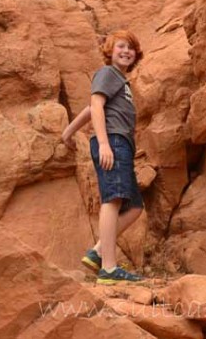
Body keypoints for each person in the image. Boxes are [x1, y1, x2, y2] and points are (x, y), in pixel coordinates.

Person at [61, 30, 145, 284]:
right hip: (113, 142)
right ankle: (108, 269)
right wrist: (106, 144)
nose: (126, 51)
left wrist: (68, 131)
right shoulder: (107, 73)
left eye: (131, 47)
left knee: (135, 207)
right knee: (113, 199)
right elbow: (96, 105)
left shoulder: (119, 81)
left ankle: (97, 253)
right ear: (110, 50)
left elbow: (90, 108)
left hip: (122, 145)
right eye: (121, 46)